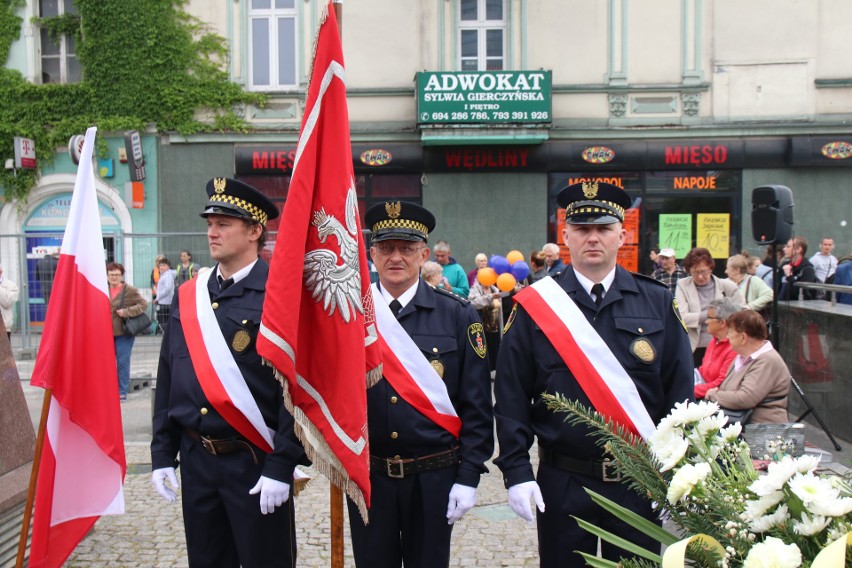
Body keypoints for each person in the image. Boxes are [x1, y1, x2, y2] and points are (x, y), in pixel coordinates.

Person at [494, 181, 693, 566]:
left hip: (639, 479)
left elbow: (679, 393)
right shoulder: (535, 304)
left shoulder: (656, 300)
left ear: (622, 234)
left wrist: (676, 471)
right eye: (582, 230)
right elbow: (512, 394)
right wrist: (516, 469)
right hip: (563, 478)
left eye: (603, 229)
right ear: (565, 236)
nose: (593, 239)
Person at [151, 177, 306, 567]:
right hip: (197, 458)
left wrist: (282, 462)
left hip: (253, 460)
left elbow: (298, 388)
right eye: (209, 223)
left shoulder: (280, 295)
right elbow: (169, 378)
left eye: (224, 223)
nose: (212, 232)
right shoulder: (191, 294)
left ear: (255, 231)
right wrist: (161, 454)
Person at [349, 201, 493, 568]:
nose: (396, 257)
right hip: (370, 479)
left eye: (407, 248)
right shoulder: (350, 318)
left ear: (425, 254)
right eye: (386, 248)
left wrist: (469, 474)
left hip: (434, 476)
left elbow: (476, 404)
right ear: (372, 253)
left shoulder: (458, 315)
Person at [704, 310, 790, 424]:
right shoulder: (741, 357)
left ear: (743, 337)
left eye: (730, 332)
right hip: (739, 423)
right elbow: (727, 389)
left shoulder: (767, 360)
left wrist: (713, 395)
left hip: (762, 431)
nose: (728, 336)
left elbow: (745, 398)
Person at [676, 247, 745, 365]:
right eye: (695, 272)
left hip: (724, 345)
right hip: (694, 346)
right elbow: (681, 317)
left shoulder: (727, 286)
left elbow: (744, 311)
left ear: (711, 268)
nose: (700, 277)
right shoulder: (683, 285)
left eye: (703, 271)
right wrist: (709, 314)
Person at [108, 262, 148, 400]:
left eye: (117, 275)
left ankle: (122, 391)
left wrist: (127, 312)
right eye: (111, 274)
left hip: (123, 333)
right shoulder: (102, 288)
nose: (114, 277)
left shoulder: (129, 290)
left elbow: (143, 304)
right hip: (105, 333)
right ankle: (108, 390)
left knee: (122, 361)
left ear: (122, 275)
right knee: (106, 363)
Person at [694, 297, 741, 400]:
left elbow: (721, 383)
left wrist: (690, 390)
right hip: (702, 390)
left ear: (722, 323)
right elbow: (702, 371)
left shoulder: (733, 348)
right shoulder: (714, 341)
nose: (706, 321)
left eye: (709, 317)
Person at [468, 274, 504, 372]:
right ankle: (484, 371)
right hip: (482, 325)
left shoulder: (495, 290)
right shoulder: (475, 289)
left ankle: (495, 370)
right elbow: (474, 303)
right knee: (483, 349)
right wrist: (490, 297)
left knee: (495, 349)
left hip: (495, 326)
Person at [779, 236, 818, 301]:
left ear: (798, 249)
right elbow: (777, 287)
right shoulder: (784, 265)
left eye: (788, 247)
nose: (784, 249)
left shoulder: (808, 269)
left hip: (796, 308)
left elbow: (804, 294)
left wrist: (789, 277)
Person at [154, 257, 176, 333]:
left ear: (168, 266)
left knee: (163, 321)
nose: (162, 267)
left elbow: (167, 289)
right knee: (164, 321)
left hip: (165, 302)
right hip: (164, 302)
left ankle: (167, 336)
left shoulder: (168, 276)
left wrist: (158, 298)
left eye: (164, 265)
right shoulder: (164, 275)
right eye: (160, 266)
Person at [0, 265, 20, 341]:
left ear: (1, 272)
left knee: (4, 352)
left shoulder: (11, 286)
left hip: (3, 327)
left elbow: (7, 302)